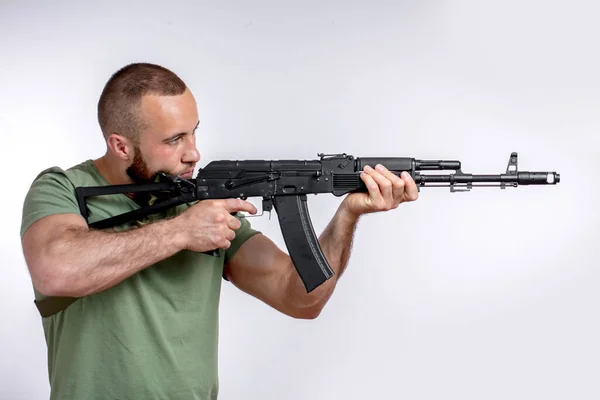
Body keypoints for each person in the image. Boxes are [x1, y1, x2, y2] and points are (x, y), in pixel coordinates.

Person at [20, 62, 419, 400]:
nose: (193, 152)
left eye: (193, 131)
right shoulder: (62, 188)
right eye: (174, 139)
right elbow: (56, 269)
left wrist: (348, 214)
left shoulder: (201, 202)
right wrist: (181, 232)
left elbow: (300, 299)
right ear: (121, 146)